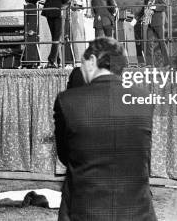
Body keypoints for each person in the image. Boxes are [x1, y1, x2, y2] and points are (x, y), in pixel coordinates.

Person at [54, 38, 156, 220]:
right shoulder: (144, 98)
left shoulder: (67, 101)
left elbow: (64, 156)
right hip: (138, 212)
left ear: (92, 61)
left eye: (82, 63)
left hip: (85, 211)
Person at [27, 0, 70, 68]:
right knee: (57, 37)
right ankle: (51, 61)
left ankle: (58, 61)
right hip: (58, 13)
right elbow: (66, 0)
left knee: (54, 37)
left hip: (48, 12)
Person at [131, 0, 170, 67]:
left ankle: (167, 63)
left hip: (158, 22)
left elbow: (164, 6)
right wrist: (135, 19)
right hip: (149, 23)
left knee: (161, 42)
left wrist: (155, 7)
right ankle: (149, 64)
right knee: (148, 43)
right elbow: (143, 10)